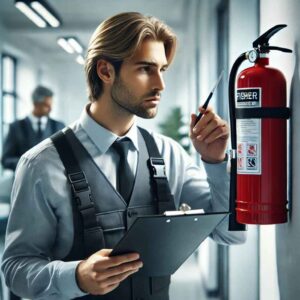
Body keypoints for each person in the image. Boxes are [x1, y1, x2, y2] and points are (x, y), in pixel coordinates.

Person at [1, 12, 246, 300]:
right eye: (145, 69)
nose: (160, 85)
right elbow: (15, 270)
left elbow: (232, 235)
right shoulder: (42, 164)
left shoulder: (170, 154)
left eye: (162, 70)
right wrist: (76, 276)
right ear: (105, 71)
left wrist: (215, 163)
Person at [1, 85, 65, 171]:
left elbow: (67, 156)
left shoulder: (59, 126)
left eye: (51, 105)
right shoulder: (15, 127)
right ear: (36, 104)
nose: (50, 109)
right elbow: (6, 159)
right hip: (24, 182)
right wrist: (26, 163)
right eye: (46, 105)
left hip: (54, 181)